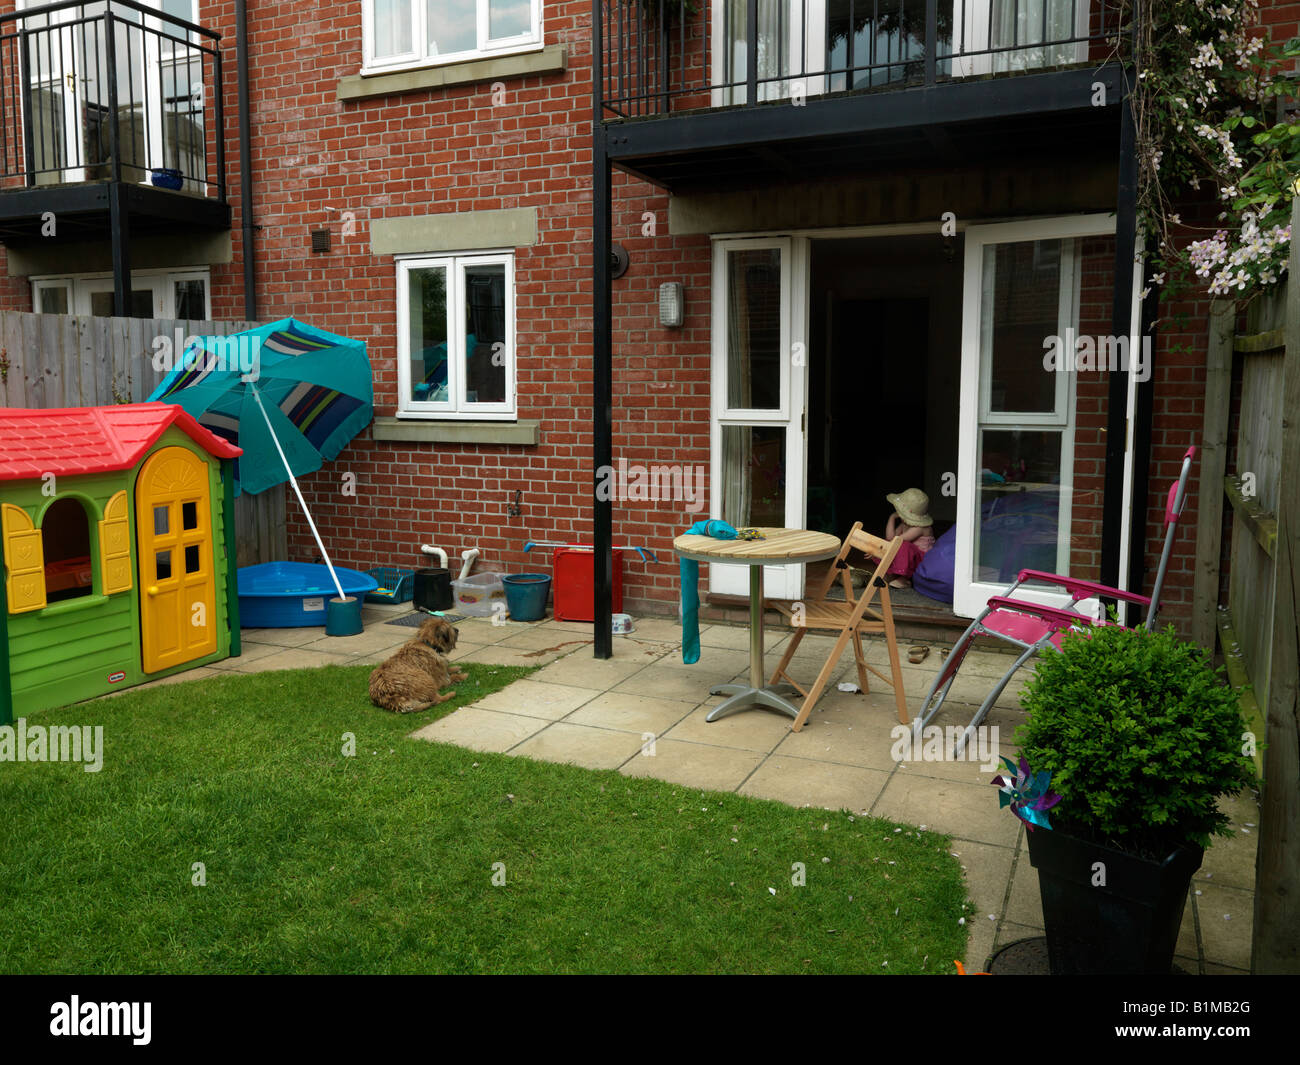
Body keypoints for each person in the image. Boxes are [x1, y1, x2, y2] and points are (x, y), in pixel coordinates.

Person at [882, 488, 936, 589]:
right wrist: (892, 518)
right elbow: (890, 538)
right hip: (910, 558)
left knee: (903, 545)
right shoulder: (904, 524)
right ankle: (892, 574)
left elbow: (897, 541)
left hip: (922, 562)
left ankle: (904, 579)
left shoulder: (919, 528)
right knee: (887, 543)